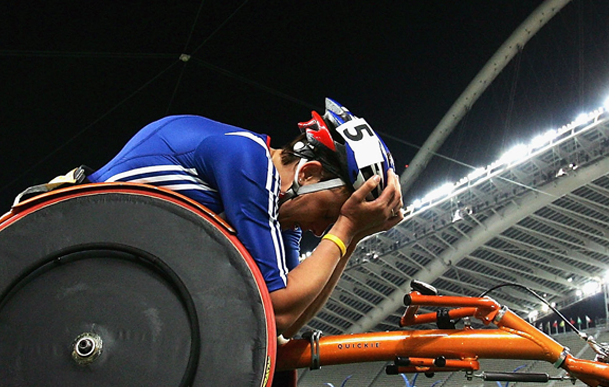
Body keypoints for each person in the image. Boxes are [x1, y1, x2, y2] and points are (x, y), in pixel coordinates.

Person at [88, 98, 403, 337]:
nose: (321, 231)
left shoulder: (279, 217)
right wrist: (346, 228)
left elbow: (288, 321)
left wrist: (353, 236)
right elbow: (278, 308)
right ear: (308, 174)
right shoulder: (247, 156)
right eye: (327, 215)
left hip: (118, 274)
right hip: (87, 246)